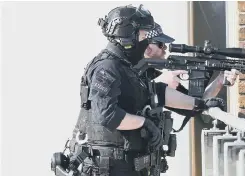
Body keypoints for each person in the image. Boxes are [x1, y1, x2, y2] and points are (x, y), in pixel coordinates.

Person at [63, 4, 226, 176]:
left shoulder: (132, 69)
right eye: (144, 35)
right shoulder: (107, 67)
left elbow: (162, 95)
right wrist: (144, 123)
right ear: (127, 35)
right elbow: (107, 115)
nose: (147, 41)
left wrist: (200, 103)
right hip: (106, 169)